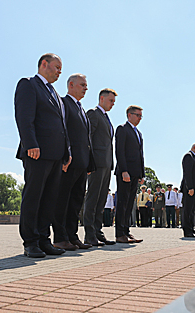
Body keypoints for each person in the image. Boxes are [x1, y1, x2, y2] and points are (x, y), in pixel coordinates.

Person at [14, 53, 70, 258]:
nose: (59, 72)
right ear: (44, 64)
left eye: (61, 69)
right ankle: (30, 241)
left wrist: (67, 153)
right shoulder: (29, 84)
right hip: (37, 152)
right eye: (56, 67)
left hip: (56, 155)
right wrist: (31, 144)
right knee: (34, 197)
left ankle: (44, 239)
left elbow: (63, 126)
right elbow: (24, 117)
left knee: (49, 198)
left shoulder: (55, 93)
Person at [52, 74, 95, 251]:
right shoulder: (63, 103)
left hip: (82, 164)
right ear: (71, 85)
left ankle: (72, 236)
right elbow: (62, 132)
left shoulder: (82, 109)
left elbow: (86, 139)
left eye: (86, 85)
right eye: (83, 85)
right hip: (69, 162)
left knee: (76, 201)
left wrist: (90, 164)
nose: (86, 88)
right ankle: (60, 237)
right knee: (63, 200)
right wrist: (64, 156)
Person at [84, 88, 117, 246]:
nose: (112, 104)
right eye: (111, 101)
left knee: (101, 199)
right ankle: (89, 234)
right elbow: (88, 138)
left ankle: (98, 231)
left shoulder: (106, 117)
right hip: (96, 163)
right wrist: (89, 161)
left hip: (106, 164)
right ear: (102, 99)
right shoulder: (93, 113)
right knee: (93, 198)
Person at [115, 105, 145, 243]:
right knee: (122, 202)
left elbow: (140, 155)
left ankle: (126, 231)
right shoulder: (122, 129)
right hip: (125, 173)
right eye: (137, 115)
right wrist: (124, 170)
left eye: (140, 116)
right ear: (129, 115)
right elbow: (119, 151)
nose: (139, 118)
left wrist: (141, 174)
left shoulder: (138, 133)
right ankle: (120, 233)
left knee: (129, 203)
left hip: (135, 173)